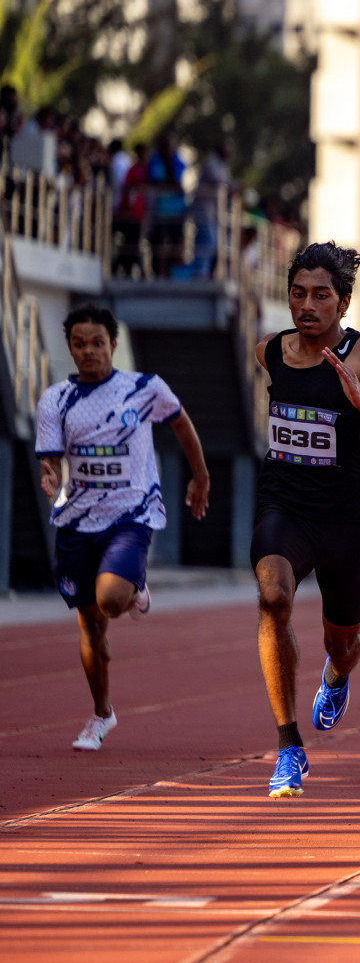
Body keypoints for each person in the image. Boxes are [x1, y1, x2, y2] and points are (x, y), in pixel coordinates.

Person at [252, 241, 360, 797]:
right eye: (298, 294)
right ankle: (288, 747)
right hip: (285, 508)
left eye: (321, 295)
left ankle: (336, 674)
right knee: (273, 597)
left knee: (343, 643)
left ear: (343, 303)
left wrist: (359, 402)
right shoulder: (268, 353)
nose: (307, 305)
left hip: (346, 522)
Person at [34, 303, 210, 751]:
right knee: (90, 627)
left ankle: (134, 587)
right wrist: (50, 476)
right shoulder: (55, 400)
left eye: (97, 343)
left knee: (111, 599)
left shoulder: (145, 389)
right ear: (70, 348)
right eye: (79, 344)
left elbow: (182, 425)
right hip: (77, 520)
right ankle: (101, 715)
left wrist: (200, 475)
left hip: (132, 513)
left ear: (113, 344)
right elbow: (50, 462)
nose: (89, 351)